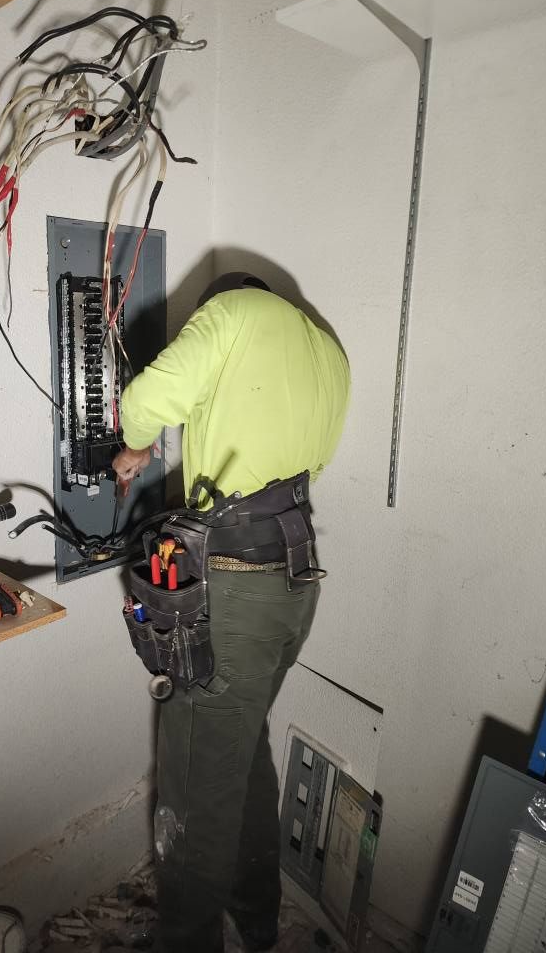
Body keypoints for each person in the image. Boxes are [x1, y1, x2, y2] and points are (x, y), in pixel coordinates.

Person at [112, 272, 350, 953]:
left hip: (235, 590)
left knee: (193, 799)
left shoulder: (232, 312)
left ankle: (187, 939)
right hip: (294, 587)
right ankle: (258, 922)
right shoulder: (326, 348)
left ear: (224, 300)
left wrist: (135, 445)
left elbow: (145, 398)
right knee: (243, 754)